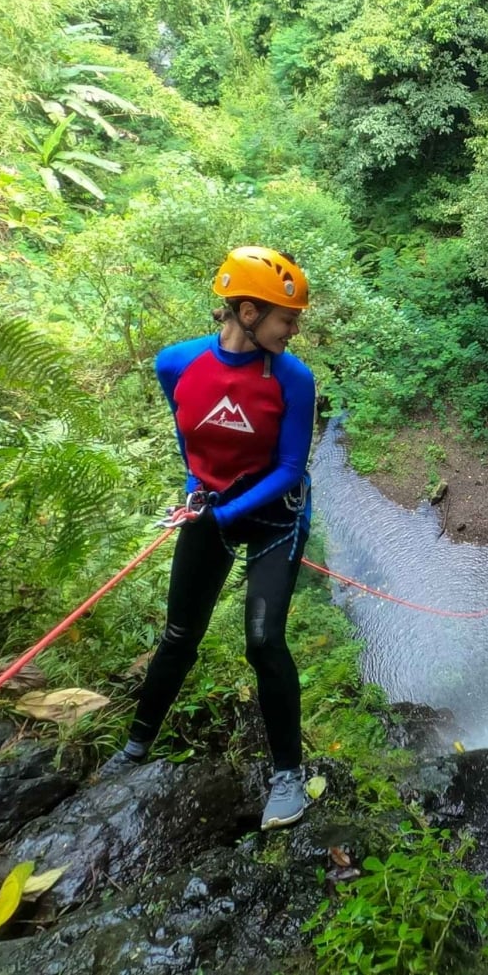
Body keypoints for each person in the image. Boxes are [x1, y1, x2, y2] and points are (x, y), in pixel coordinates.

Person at [100, 246, 317, 830]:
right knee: (178, 635)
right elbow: (189, 434)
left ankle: (288, 777)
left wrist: (222, 514)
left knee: (264, 642)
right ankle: (135, 747)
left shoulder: (295, 380)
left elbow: (290, 467)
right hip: (212, 509)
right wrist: (198, 489)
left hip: (276, 517)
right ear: (248, 312)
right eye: (287, 319)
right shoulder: (175, 364)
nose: (294, 331)